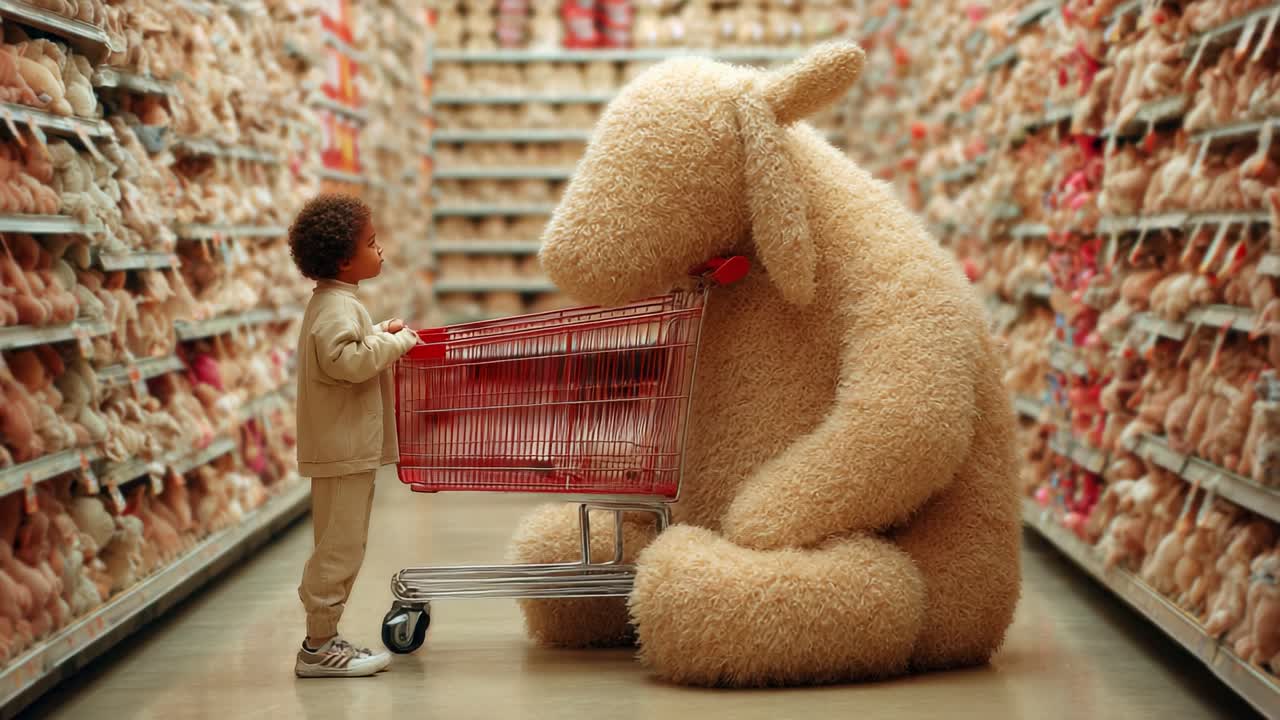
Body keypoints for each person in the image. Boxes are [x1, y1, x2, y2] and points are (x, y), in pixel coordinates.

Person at [287, 193, 419, 678]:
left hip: (345, 448)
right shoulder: (335, 308)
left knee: (344, 544)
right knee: (339, 548)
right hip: (342, 450)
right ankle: (318, 646)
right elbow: (348, 361)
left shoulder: (337, 303)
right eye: (371, 242)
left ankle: (324, 637)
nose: (379, 251)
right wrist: (398, 341)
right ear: (345, 259)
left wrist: (380, 330)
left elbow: (349, 347)